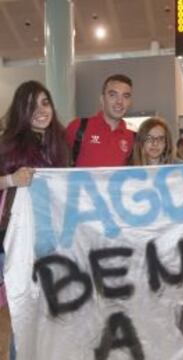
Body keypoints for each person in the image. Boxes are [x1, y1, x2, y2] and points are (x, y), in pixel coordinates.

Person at [0, 80, 69, 360]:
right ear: (21, 111)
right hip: (11, 242)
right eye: (32, 105)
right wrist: (11, 179)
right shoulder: (6, 144)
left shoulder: (58, 144)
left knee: (48, 315)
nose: (41, 110)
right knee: (22, 314)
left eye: (45, 102)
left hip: (47, 244)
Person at [66, 74, 135, 167]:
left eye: (125, 96)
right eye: (113, 95)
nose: (119, 102)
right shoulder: (78, 127)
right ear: (102, 99)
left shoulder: (133, 138)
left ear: (130, 102)